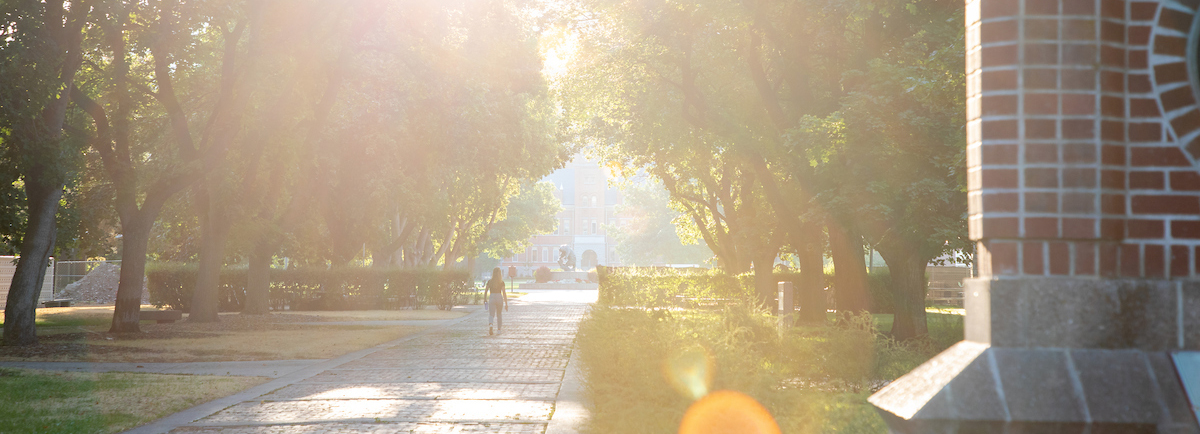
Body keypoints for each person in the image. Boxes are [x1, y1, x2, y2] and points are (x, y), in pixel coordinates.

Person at [486, 267, 508, 335]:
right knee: (499, 314)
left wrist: (484, 299)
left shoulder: (490, 281)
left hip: (492, 296)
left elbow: (486, 290)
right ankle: (499, 330)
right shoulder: (501, 282)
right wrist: (506, 303)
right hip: (499, 296)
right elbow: (504, 292)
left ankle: (491, 324)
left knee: (491, 314)